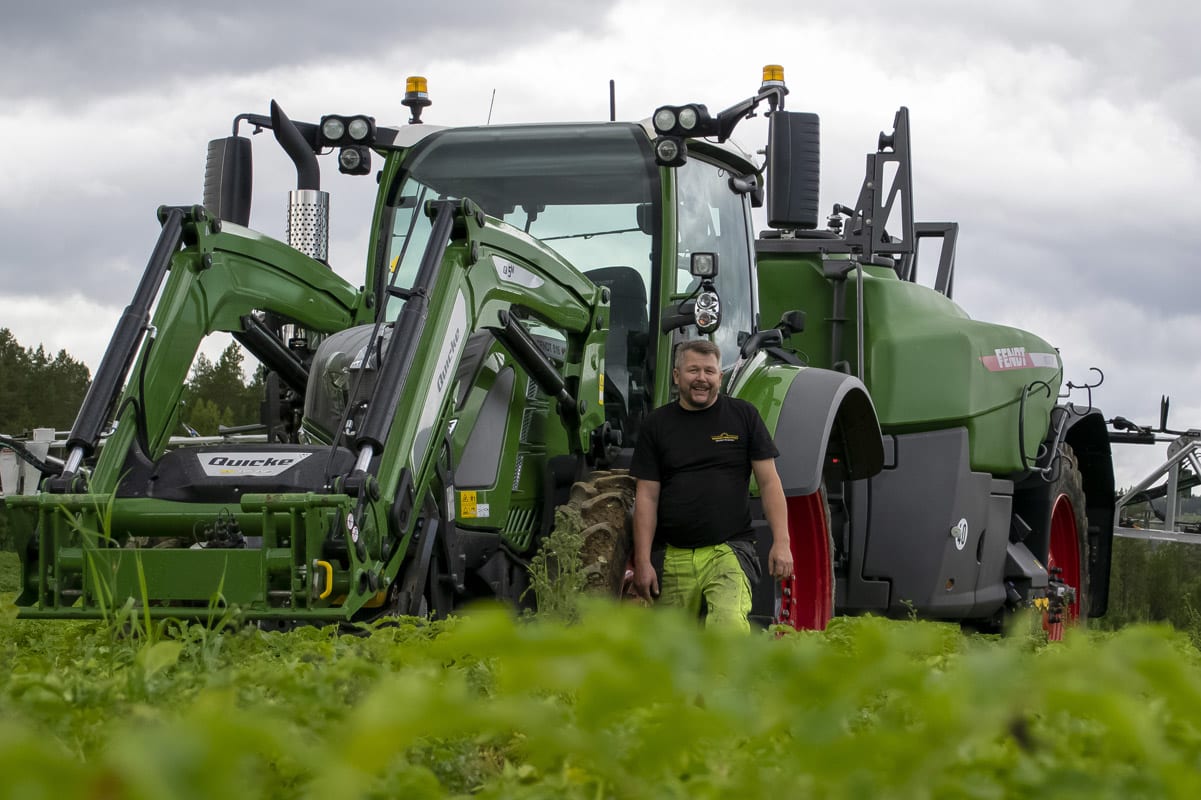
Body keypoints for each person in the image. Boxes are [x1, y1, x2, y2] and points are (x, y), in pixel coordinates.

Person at [629, 339, 793, 630]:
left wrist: (782, 542)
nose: (701, 378)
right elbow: (647, 497)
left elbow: (769, 483)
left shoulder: (744, 416)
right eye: (693, 370)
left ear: (720, 376)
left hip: (729, 550)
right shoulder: (657, 424)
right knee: (669, 644)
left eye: (709, 371)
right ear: (677, 376)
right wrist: (642, 561)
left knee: (727, 628)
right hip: (675, 554)